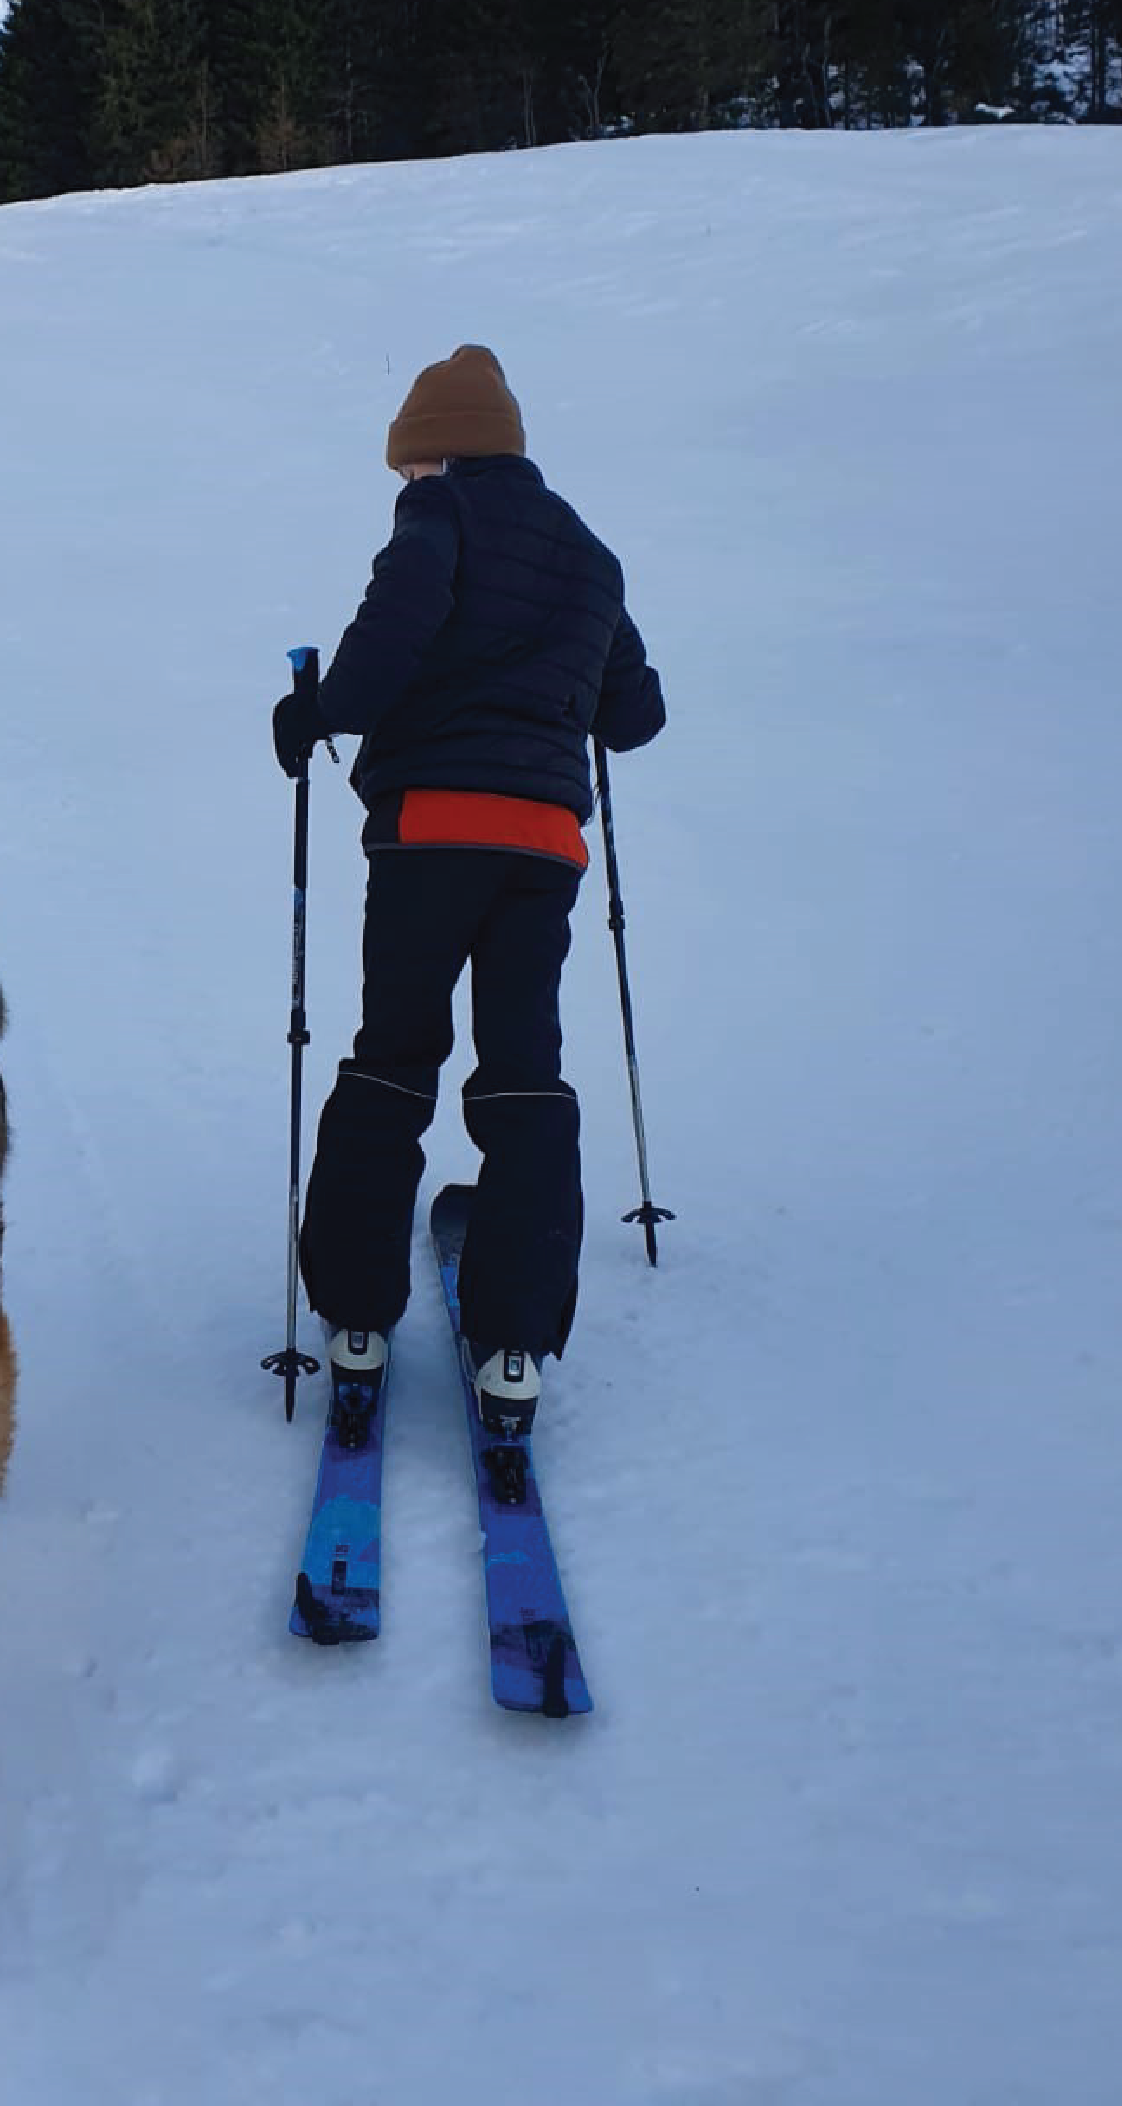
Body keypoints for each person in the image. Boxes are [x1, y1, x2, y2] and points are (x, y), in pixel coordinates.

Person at [271, 344, 665, 1439]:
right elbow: (634, 717)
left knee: (394, 1056)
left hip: (428, 833)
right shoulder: (589, 554)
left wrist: (311, 713)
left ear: (440, 453)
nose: (402, 483)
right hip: (542, 848)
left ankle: (356, 1318)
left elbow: (385, 647)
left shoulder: (437, 517)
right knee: (522, 1071)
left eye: (407, 464)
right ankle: (514, 1347)